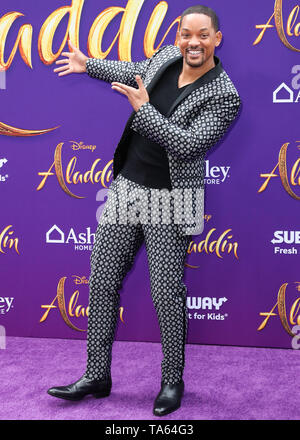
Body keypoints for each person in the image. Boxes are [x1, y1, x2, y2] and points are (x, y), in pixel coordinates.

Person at [47, 5, 241, 416]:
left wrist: (144, 110)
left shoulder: (225, 95)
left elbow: (188, 144)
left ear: (216, 39)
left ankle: (172, 381)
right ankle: (96, 375)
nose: (193, 42)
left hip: (172, 200)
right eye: (187, 34)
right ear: (179, 36)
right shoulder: (168, 57)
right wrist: (90, 66)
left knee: (166, 296)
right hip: (127, 188)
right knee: (101, 283)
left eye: (203, 35)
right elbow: (136, 69)